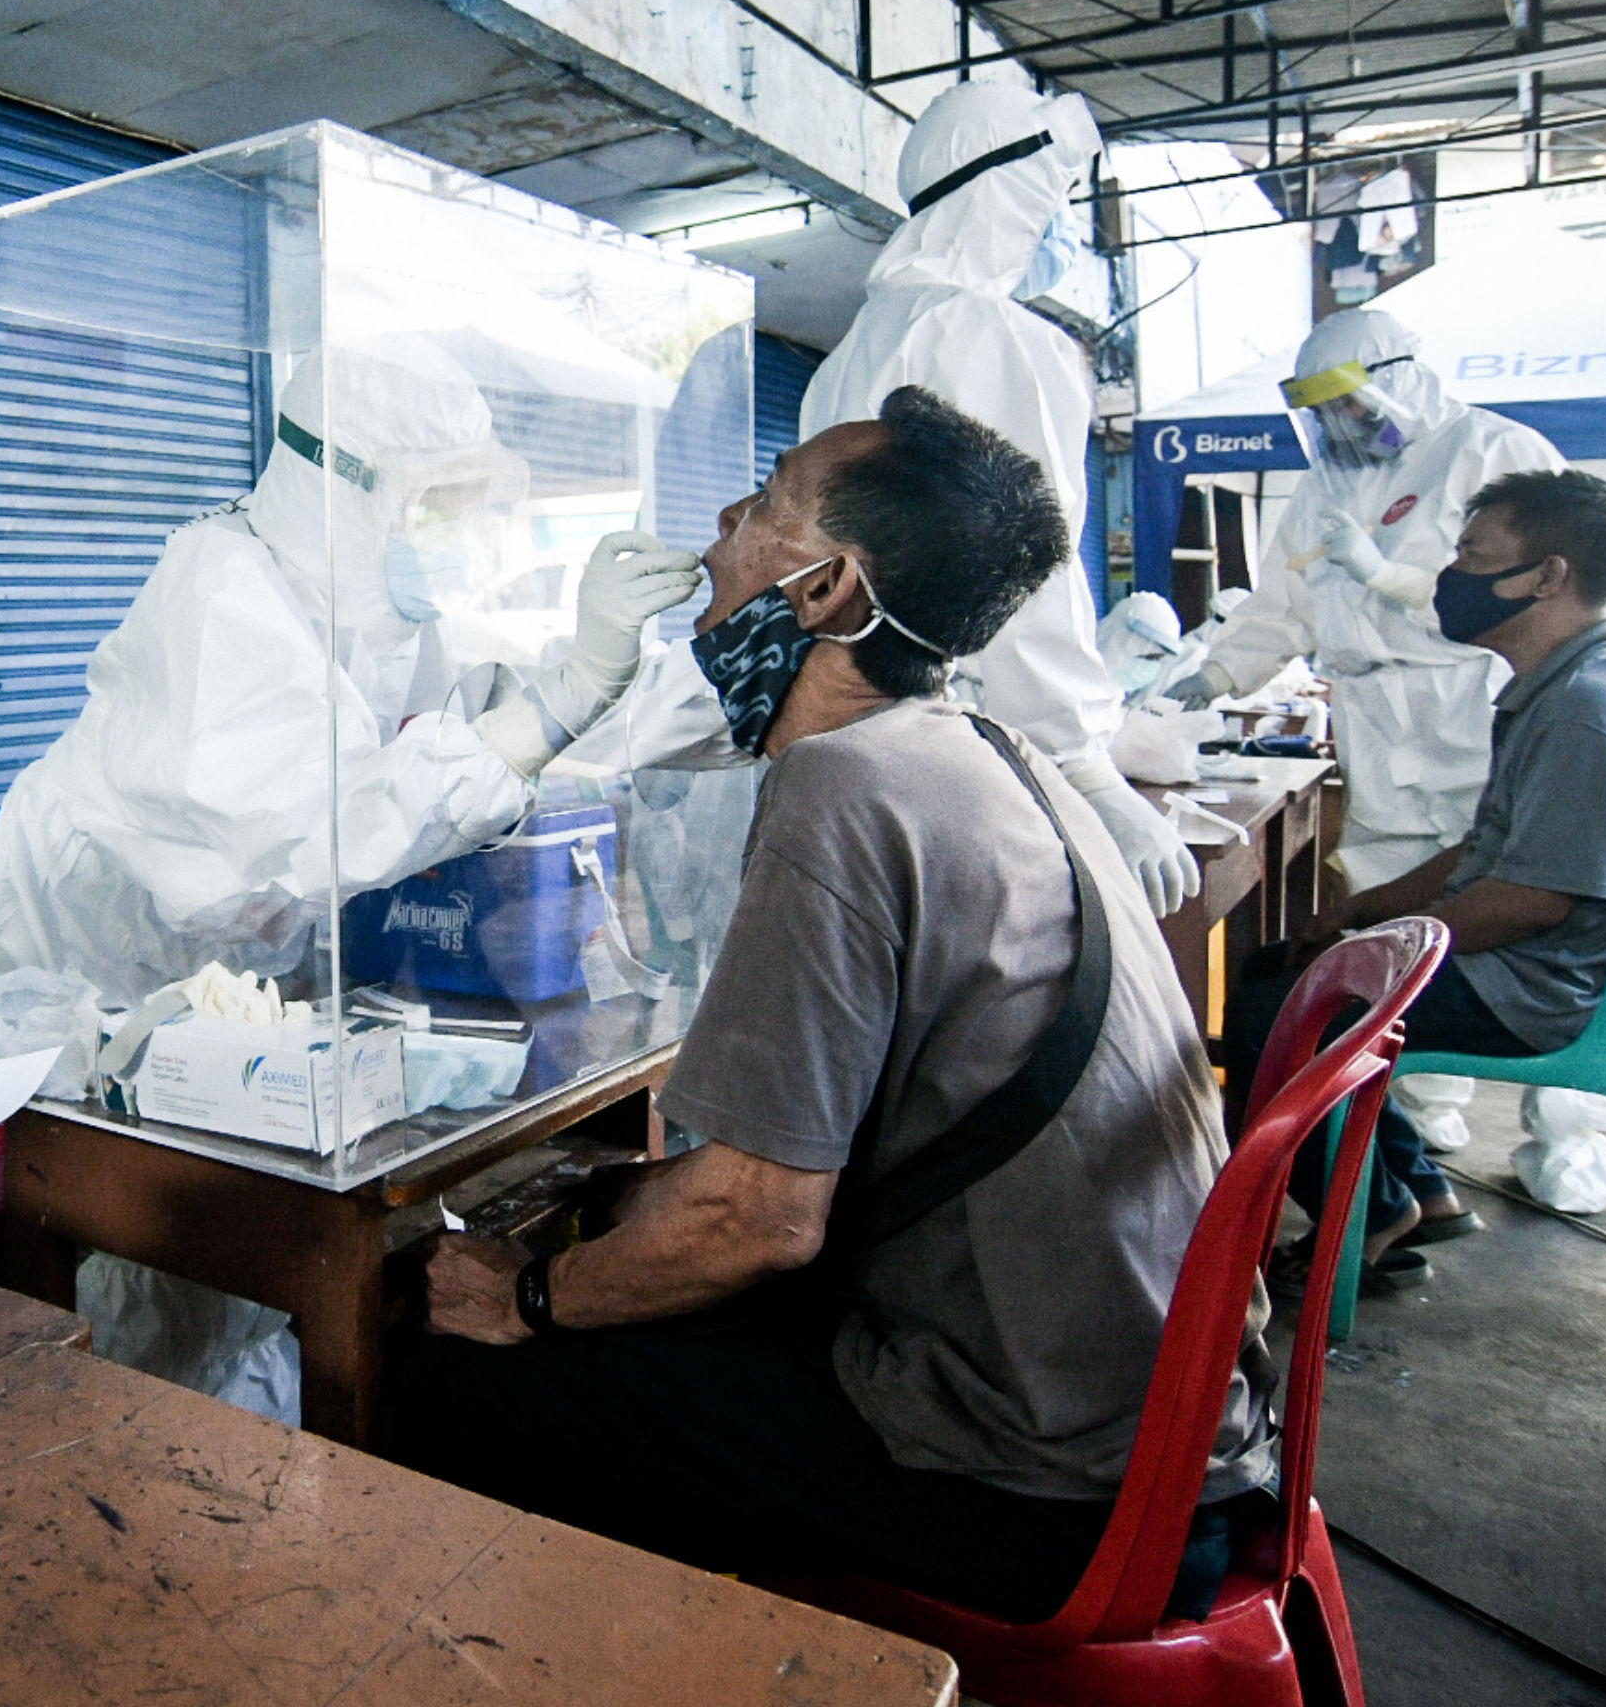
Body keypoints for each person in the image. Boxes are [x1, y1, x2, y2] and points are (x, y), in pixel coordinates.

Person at [393, 387, 1274, 1621]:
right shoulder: (979, 749)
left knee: (456, 1380)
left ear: (823, 593)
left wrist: (527, 1291)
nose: (718, 523)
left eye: (761, 505)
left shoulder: (842, 792)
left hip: (1044, 1484)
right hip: (1166, 1431)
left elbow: (757, 1220)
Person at [0, 353, 720, 1414]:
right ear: (349, 484)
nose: (457, 531)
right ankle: (129, 1439)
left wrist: (711, 695)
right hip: (113, 930)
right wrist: (551, 705)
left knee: (264, 1198)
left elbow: (509, 710)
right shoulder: (219, 584)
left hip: (239, 932)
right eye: (439, 502)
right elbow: (322, 828)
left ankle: (264, 1420)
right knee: (160, 1225)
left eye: (473, 501)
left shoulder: (378, 603)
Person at [1219, 470, 1606, 1282]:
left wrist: (1372, 947)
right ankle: (1417, 1192)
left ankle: (1368, 1224)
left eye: (1474, 557)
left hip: (1554, 990)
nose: (1453, 578)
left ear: (1548, 576)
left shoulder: (1590, 713)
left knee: (1288, 1009)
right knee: (1287, 967)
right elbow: (1488, 851)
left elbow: (1532, 902)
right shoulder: (1559, 690)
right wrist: (1362, 914)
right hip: (1550, 964)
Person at [798, 82, 1200, 919]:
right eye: (1051, 201)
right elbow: (1022, 575)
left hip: (872, 738)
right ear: (1008, 193)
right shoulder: (995, 335)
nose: (1054, 230)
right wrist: (1085, 769)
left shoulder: (846, 357)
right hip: (985, 754)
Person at [1173, 310, 1562, 890]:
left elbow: (1531, 595)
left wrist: (1386, 575)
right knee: (1381, 882)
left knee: (1487, 864)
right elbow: (1285, 602)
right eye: (1324, 411)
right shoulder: (1327, 483)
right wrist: (1216, 677)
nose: (1341, 424)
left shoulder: (1494, 451)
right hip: (1372, 717)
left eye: (1349, 403)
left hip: (1466, 704)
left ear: (1399, 378)